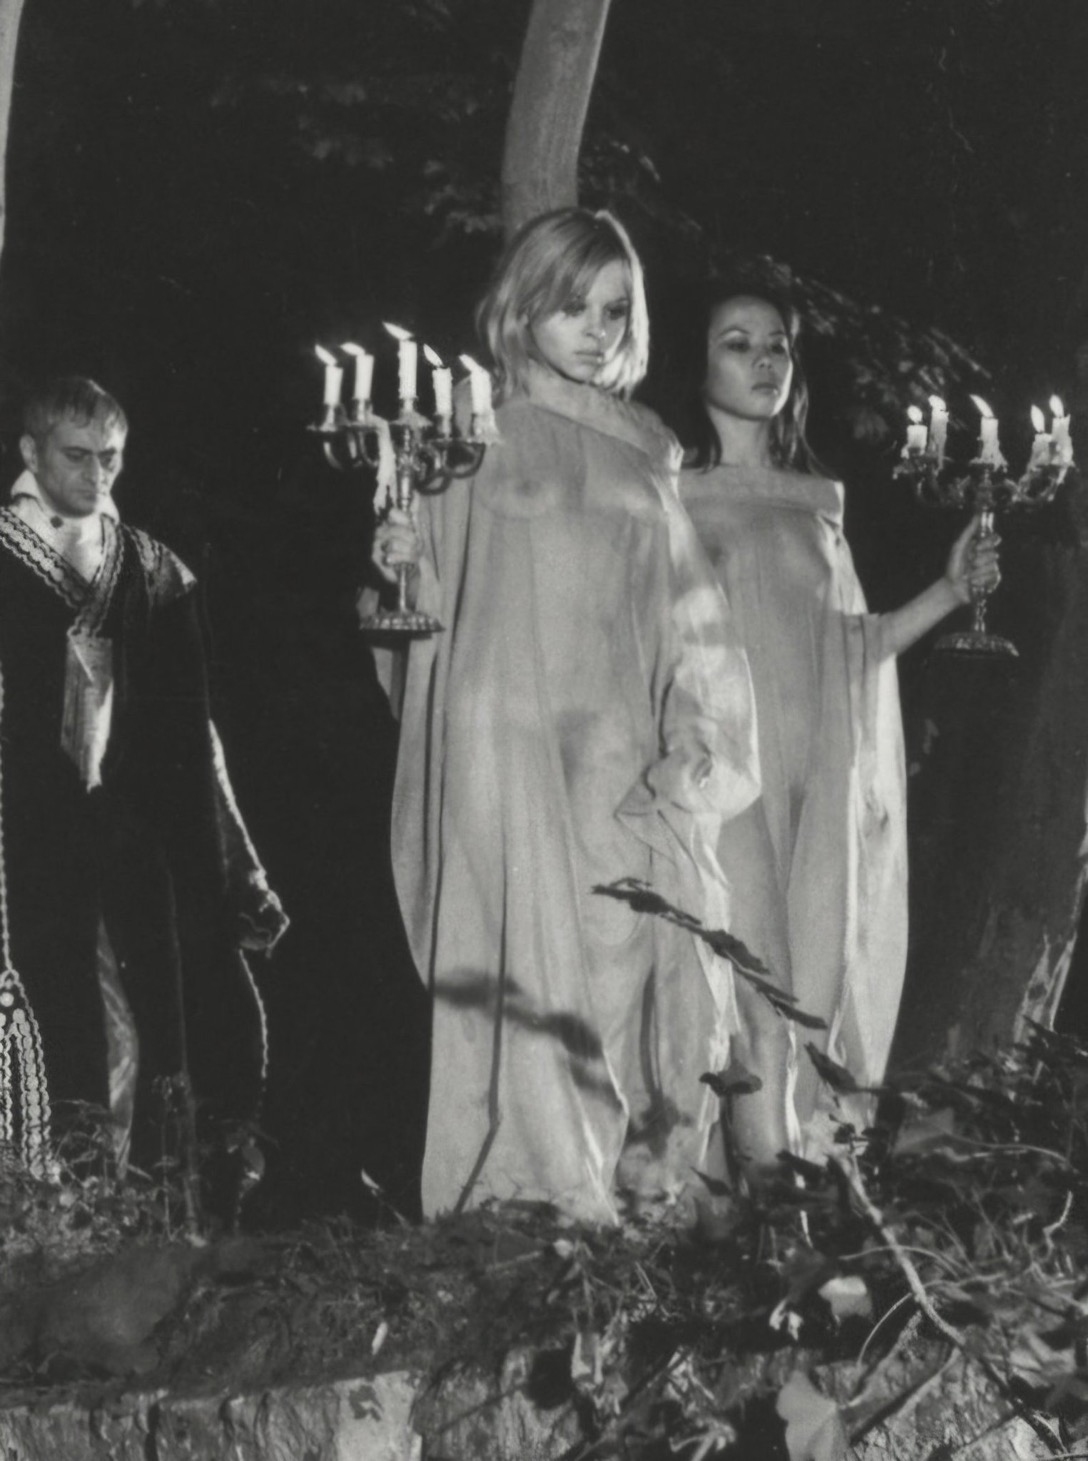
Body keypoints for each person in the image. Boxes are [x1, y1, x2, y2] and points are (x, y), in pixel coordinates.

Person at [370, 209, 760, 1223]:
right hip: (499, 748)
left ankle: (618, 1200)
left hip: (612, 751)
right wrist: (398, 569)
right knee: (519, 976)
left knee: (619, 968)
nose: (594, 329)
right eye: (571, 305)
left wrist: (695, 736)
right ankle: (531, 1207)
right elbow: (423, 614)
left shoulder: (646, 457)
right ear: (522, 306)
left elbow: (691, 622)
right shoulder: (469, 434)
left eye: (614, 310)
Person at [675, 275, 1001, 1171]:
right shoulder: (672, 495)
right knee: (759, 1002)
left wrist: (950, 589)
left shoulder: (817, 505)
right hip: (725, 780)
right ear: (697, 364)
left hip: (814, 787)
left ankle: (784, 1214)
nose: (764, 360)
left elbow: (854, 648)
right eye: (738, 343)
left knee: (808, 1005)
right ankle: (765, 1217)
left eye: (777, 345)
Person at [0, 376, 286, 1188]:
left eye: (112, 457)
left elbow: (193, 738)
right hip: (19, 846)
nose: (98, 475)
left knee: (149, 1028)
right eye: (77, 455)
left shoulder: (157, 572)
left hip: (132, 848)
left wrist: (221, 870)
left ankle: (133, 1212)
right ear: (30, 452)